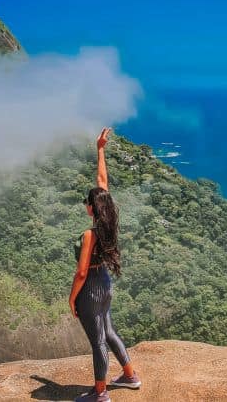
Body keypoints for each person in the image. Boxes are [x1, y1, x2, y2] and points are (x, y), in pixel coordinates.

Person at [69, 127, 142, 402]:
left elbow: (81, 272)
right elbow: (102, 181)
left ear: (92, 207)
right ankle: (130, 376)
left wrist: (72, 298)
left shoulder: (91, 234)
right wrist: (100, 149)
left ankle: (100, 394)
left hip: (90, 288)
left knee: (97, 341)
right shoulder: (109, 222)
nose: (85, 205)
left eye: (86, 202)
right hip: (106, 285)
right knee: (108, 331)